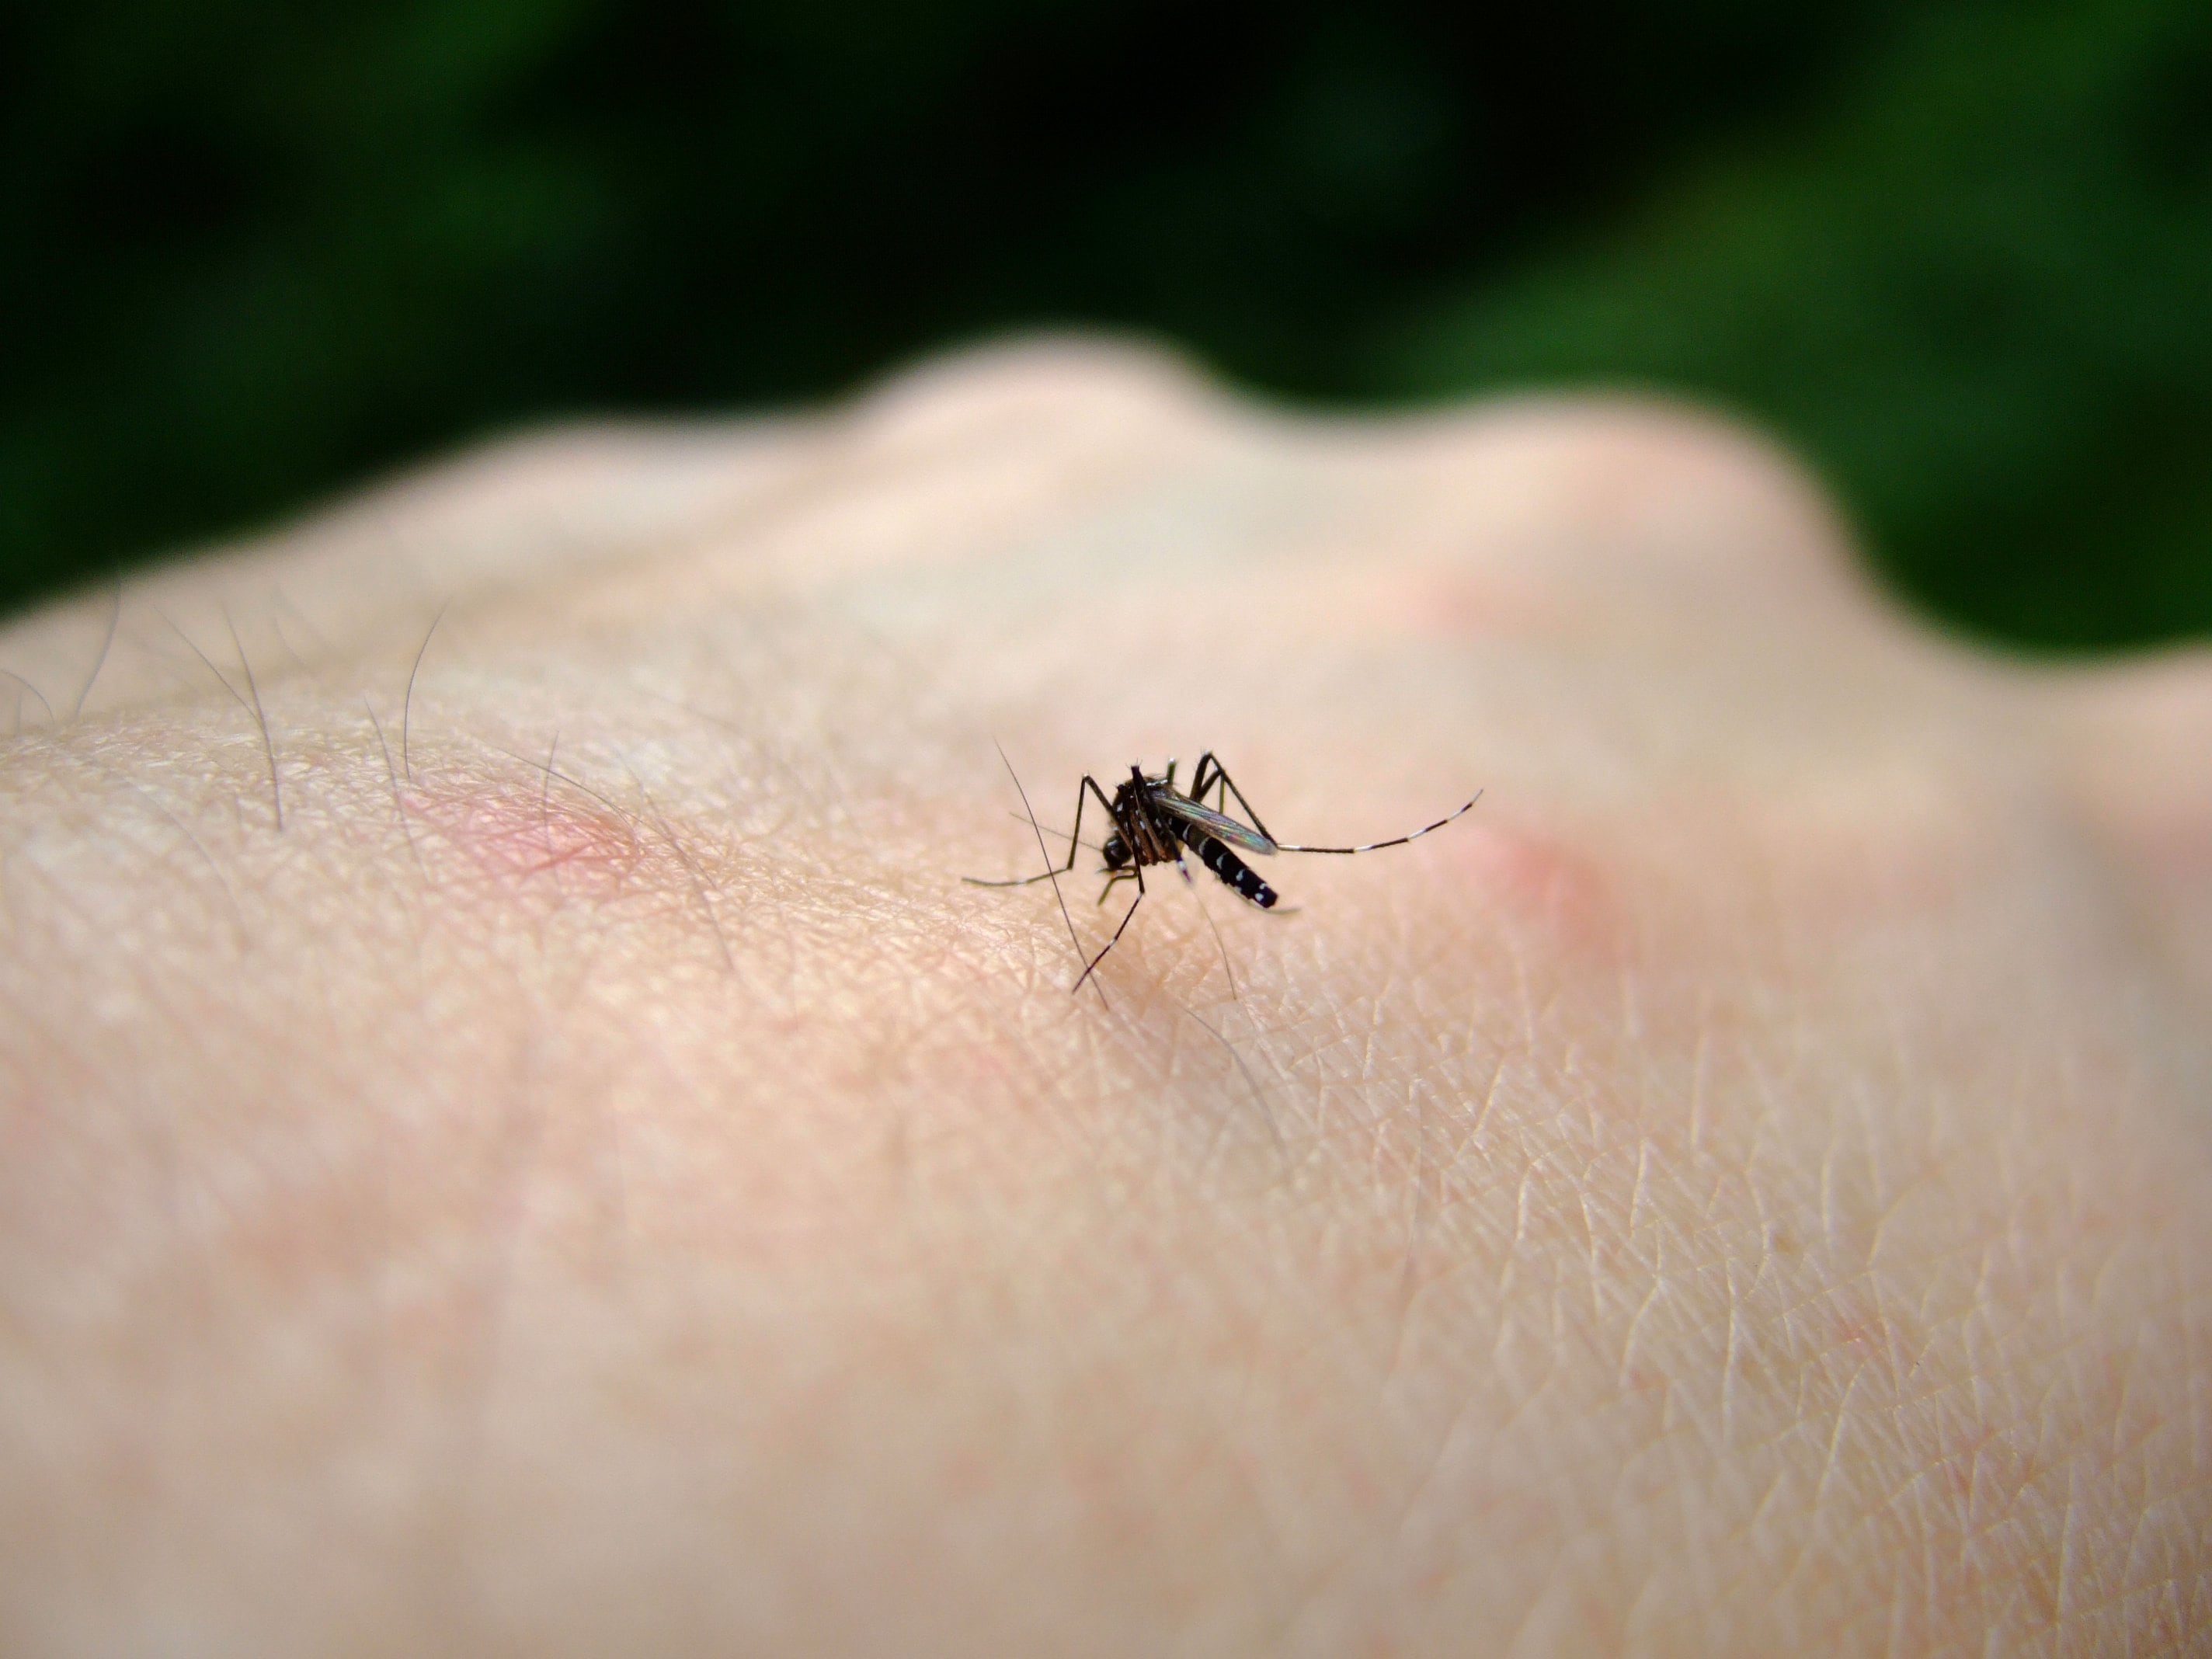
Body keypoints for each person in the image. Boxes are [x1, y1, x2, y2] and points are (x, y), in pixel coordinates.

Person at [2, 341, 2204, 1654]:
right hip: (1174, 834)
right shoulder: (1128, 802)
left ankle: (1286, 862)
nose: (1143, 839)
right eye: (1148, 843)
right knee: (1130, 803)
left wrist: (1191, 866)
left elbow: (1152, 804)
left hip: (1221, 841)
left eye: (1146, 841)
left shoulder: (1167, 818)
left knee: (1172, 811)